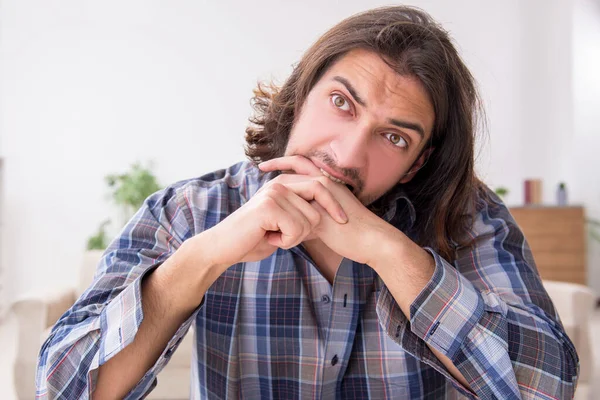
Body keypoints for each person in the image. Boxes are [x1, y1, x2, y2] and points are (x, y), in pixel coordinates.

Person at [36, 6, 579, 400]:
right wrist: (205, 258)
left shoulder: (467, 220)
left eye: (394, 138)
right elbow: (62, 388)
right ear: (298, 98)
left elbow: (548, 389)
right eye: (342, 103)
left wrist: (389, 252)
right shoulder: (192, 211)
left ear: (417, 162)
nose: (346, 154)